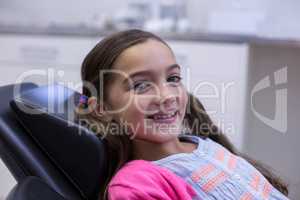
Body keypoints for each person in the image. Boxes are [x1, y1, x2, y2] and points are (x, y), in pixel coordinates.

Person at [76, 29, 289, 200]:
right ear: (102, 110)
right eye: (141, 85)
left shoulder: (205, 144)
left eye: (173, 79)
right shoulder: (136, 184)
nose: (167, 95)